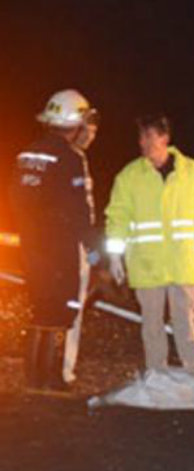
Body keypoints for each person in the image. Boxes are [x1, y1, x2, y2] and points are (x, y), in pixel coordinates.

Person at [104, 114, 194, 374]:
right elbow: (118, 216)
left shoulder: (192, 173)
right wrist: (115, 255)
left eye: (149, 136)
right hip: (147, 263)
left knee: (185, 320)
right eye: (141, 136)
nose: (143, 142)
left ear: (165, 138)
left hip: (182, 262)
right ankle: (157, 371)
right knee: (152, 324)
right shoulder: (130, 176)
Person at [8, 89, 100, 390]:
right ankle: (48, 376)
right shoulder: (69, 159)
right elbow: (78, 211)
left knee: (40, 306)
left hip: (32, 247)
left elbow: (15, 200)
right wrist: (95, 250)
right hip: (59, 249)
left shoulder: (28, 154)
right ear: (75, 122)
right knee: (59, 310)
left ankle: (34, 377)